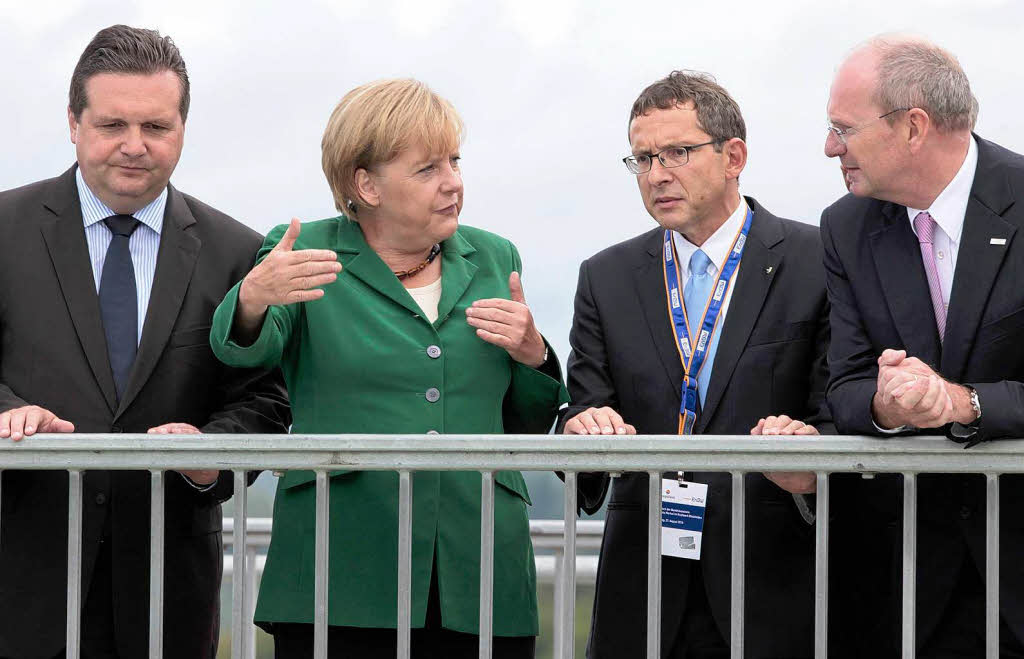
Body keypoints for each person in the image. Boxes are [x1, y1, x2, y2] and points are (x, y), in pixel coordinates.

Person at [209, 78, 567, 658]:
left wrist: (535, 355)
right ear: (365, 184)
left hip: (478, 568)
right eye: (427, 168)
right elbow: (246, 351)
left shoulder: (496, 256)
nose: (453, 181)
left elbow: (525, 421)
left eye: (454, 161)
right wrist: (251, 299)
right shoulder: (301, 250)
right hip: (338, 567)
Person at [0, 25, 290, 659]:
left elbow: (264, 398)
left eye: (156, 127)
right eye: (112, 126)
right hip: (21, 576)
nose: (134, 147)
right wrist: (5, 413)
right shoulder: (2, 231)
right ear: (73, 124)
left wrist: (212, 453)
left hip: (168, 595)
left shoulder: (238, 252)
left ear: (183, 129)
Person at [560, 71, 843, 659]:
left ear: (733, 155)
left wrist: (813, 456)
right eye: (642, 159)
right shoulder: (605, 277)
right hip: (642, 595)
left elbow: (840, 415)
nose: (657, 174)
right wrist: (581, 429)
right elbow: (583, 413)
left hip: (775, 585)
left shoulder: (818, 261)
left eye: (677, 153)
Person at [822, 34, 1024, 657]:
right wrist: (890, 405)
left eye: (843, 128)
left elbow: (969, 397)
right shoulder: (847, 226)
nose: (830, 147)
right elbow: (845, 387)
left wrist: (964, 403)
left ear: (913, 127)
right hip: (910, 588)